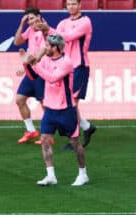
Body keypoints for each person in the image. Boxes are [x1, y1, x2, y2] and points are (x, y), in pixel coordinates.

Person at [23, 34, 89, 186]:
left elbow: (52, 77)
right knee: (45, 140)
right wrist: (27, 64)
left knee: (74, 143)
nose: (44, 48)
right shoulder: (46, 60)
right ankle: (51, 175)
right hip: (50, 109)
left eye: (48, 46)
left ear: (56, 48)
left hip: (66, 109)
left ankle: (83, 173)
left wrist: (35, 64)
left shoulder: (66, 62)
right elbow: (34, 76)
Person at [56, 0, 96, 150]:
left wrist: (56, 32)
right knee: (68, 103)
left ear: (80, 5)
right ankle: (86, 127)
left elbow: (67, 37)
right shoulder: (63, 22)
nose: (71, 7)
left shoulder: (85, 22)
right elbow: (56, 39)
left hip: (79, 66)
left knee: (71, 103)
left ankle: (74, 139)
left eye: (74, 4)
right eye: (68, 4)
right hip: (65, 66)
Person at [14, 7, 49, 144]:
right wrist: (21, 25)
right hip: (31, 70)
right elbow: (17, 42)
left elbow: (43, 49)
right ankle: (31, 131)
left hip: (42, 71)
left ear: (39, 17)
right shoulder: (30, 30)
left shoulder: (44, 31)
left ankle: (48, 135)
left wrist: (30, 60)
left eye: (32, 18)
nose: (30, 22)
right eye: (28, 19)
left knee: (44, 104)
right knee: (19, 99)